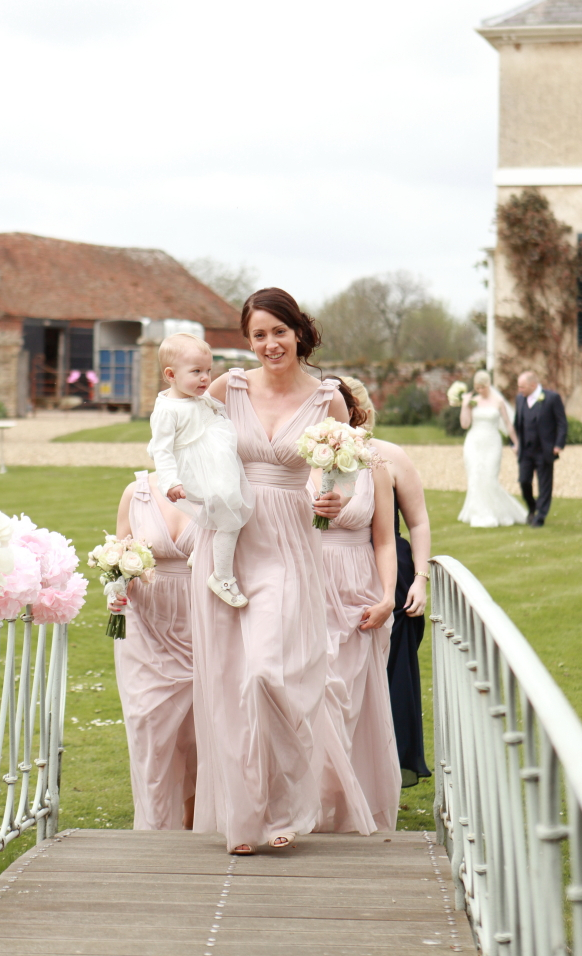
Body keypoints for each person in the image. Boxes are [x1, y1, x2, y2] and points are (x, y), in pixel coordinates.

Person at [190, 288, 348, 854]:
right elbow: (186, 446)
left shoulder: (328, 401)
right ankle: (245, 821)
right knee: (230, 684)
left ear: (299, 332)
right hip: (228, 543)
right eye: (258, 335)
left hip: (286, 543)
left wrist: (334, 499)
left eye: (279, 331)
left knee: (266, 674)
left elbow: (343, 474)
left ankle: (285, 805)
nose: (270, 344)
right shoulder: (225, 389)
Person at [312, 380, 401, 834]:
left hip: (358, 593)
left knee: (349, 707)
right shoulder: (293, 460)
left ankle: (344, 812)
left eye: (337, 408)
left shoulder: (373, 465)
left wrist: (388, 596)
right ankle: (306, 809)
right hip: (307, 585)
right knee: (315, 698)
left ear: (351, 413)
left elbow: (384, 540)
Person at [346, 377, 432, 788]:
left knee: (392, 671)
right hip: (337, 570)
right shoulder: (313, 459)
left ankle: (386, 773)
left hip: (390, 575)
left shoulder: (390, 456)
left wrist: (420, 579)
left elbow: (418, 522)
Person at [111, 471, 198, 830]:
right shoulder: (136, 493)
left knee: (200, 734)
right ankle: (154, 829)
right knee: (148, 725)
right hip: (145, 629)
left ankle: (198, 822)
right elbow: (119, 560)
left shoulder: (223, 487)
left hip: (205, 626)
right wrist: (116, 591)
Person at [148, 333, 254, 607]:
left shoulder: (198, 398)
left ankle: (202, 550)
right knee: (231, 519)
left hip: (215, 464)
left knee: (219, 509)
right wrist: (170, 481)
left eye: (208, 370)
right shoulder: (167, 409)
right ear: (171, 375)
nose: (205, 378)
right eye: (196, 372)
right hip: (195, 471)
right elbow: (161, 449)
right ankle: (222, 576)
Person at [458, 370, 527, 528]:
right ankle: (478, 512)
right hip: (474, 443)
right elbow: (465, 424)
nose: (480, 390)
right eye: (477, 388)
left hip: (492, 443)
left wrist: (516, 443)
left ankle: (497, 511)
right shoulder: (473, 402)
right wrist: (464, 405)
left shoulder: (498, 402)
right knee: (475, 476)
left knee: (490, 477)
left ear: (488, 385)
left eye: (482, 387)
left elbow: (508, 424)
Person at [515, 369, 568, 528]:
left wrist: (558, 444)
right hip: (526, 450)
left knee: (544, 484)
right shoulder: (520, 399)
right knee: (524, 481)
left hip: (545, 449)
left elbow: (561, 423)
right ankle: (532, 507)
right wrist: (514, 443)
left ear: (533, 385)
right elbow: (518, 423)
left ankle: (540, 516)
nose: (519, 390)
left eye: (522, 387)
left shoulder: (552, 398)